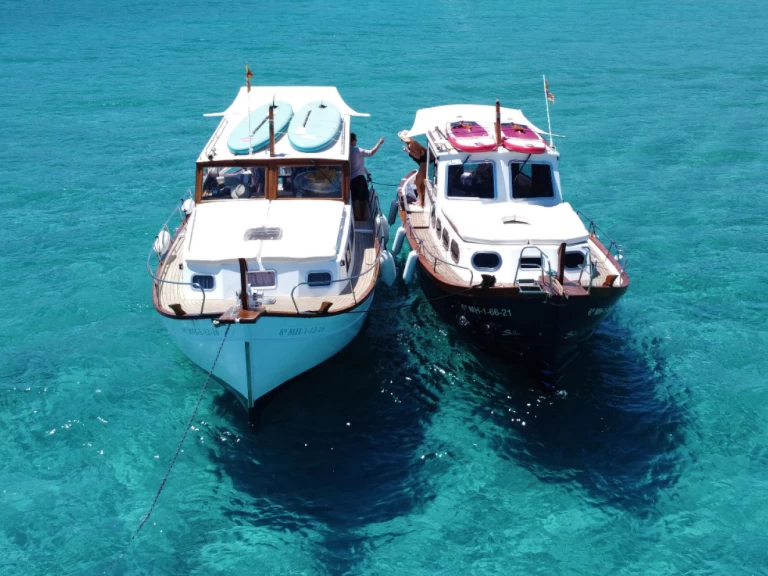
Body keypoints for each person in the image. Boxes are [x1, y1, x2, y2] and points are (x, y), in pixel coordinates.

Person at [350, 133, 384, 220]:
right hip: (360, 179)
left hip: (351, 181)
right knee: (363, 200)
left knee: (354, 200)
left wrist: (367, 171)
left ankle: (355, 217)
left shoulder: (346, 152)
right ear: (353, 141)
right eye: (355, 139)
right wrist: (379, 143)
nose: (356, 141)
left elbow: (357, 164)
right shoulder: (358, 151)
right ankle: (363, 218)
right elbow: (371, 153)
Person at [398, 131, 427, 204]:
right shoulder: (414, 142)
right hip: (424, 163)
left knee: (418, 183)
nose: (401, 140)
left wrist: (408, 151)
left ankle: (420, 202)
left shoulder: (411, 145)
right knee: (417, 181)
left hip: (424, 163)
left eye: (401, 139)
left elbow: (418, 156)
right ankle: (421, 200)